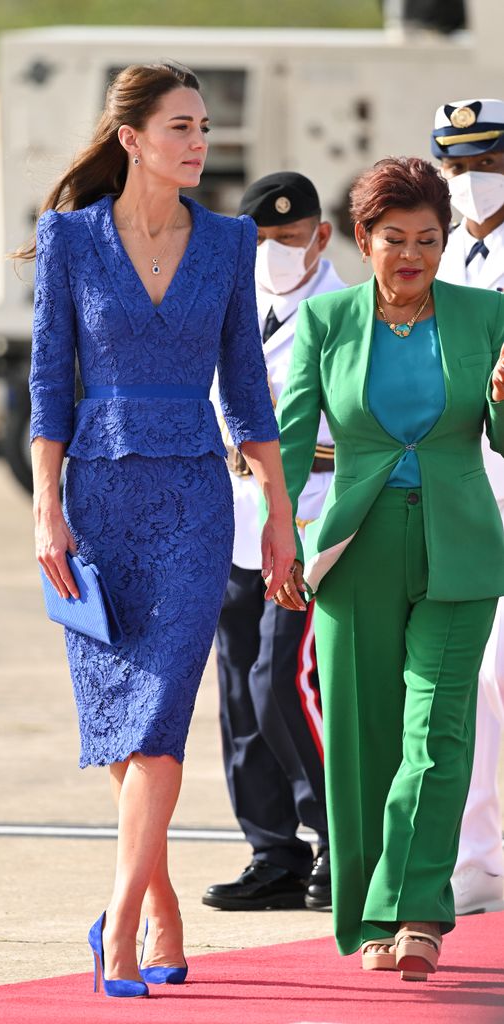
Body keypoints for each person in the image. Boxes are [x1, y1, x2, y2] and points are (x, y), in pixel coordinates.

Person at [23, 62, 295, 999]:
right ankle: (163, 904)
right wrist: (45, 505)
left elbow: (249, 388)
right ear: (131, 138)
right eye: (180, 126)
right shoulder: (66, 239)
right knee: (123, 723)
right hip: (94, 502)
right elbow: (49, 385)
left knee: (162, 721)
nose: (199, 142)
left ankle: (123, 927)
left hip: (192, 497)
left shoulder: (228, 241)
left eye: (206, 127)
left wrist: (279, 515)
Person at [275, 155, 504, 982]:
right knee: (364, 739)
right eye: (395, 238)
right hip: (354, 545)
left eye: (430, 240)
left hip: (461, 544)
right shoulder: (329, 321)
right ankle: (368, 915)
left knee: (437, 734)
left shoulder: (488, 315)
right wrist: (282, 538)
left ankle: (413, 911)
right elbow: (294, 438)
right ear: (364, 238)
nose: (414, 255)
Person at [204, 173, 344, 914]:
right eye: (259, 241)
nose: (275, 254)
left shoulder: (348, 308)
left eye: (289, 240)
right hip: (233, 517)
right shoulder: (234, 305)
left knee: (281, 681)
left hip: (314, 514)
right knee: (236, 690)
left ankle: (338, 839)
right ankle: (273, 850)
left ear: (322, 236)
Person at [431, 97, 504, 916]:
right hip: (463, 489)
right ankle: (477, 855)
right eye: (459, 166)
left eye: (486, 164)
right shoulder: (445, 257)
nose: (471, 182)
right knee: (471, 677)